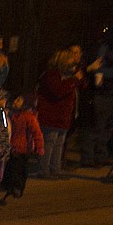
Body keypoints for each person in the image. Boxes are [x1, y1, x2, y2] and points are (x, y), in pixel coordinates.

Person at [36, 48, 85, 178]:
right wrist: (74, 80)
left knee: (59, 143)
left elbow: (82, 86)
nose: (73, 60)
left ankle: (55, 168)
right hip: (51, 115)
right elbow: (58, 91)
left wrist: (77, 78)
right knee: (49, 142)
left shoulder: (68, 74)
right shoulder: (51, 75)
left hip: (63, 116)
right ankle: (44, 169)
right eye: (69, 58)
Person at [85, 26, 113, 167]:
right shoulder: (104, 49)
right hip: (104, 94)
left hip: (112, 93)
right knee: (98, 127)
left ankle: (101, 156)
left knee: (106, 128)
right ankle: (88, 158)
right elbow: (98, 70)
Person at [3, 93, 43, 198]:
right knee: (11, 169)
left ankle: (17, 188)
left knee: (20, 170)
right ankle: (10, 186)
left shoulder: (28, 117)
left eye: (19, 101)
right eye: (15, 100)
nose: (15, 102)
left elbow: (37, 133)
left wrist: (39, 147)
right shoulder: (11, 114)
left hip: (23, 149)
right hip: (12, 147)